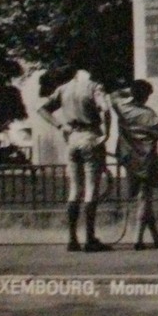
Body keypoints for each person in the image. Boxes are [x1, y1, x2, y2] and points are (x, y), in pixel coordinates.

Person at [38, 68, 113, 252]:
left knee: (74, 190)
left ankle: (72, 238)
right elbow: (105, 110)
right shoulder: (95, 87)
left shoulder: (64, 89)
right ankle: (90, 238)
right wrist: (107, 134)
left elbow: (42, 109)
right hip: (90, 136)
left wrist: (60, 126)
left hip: (72, 138)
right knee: (91, 189)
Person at [107, 77, 158, 249]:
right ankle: (138, 239)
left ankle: (157, 237)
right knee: (144, 198)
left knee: (142, 199)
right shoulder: (148, 114)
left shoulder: (122, 108)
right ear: (145, 96)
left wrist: (129, 91)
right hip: (146, 159)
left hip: (128, 158)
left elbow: (113, 94)